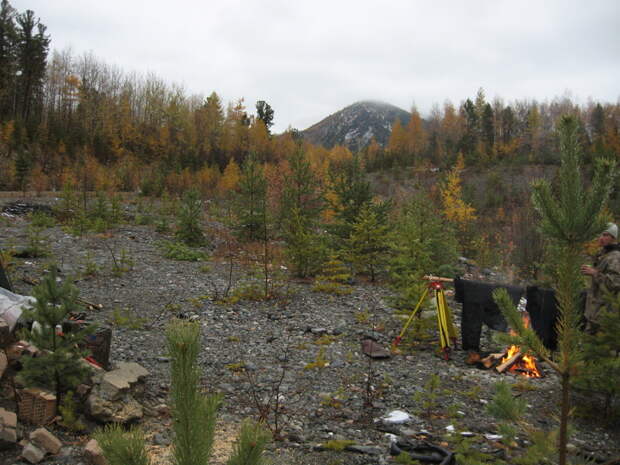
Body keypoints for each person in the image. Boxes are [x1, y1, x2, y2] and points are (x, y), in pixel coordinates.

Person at [581, 223, 620, 333]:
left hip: (605, 314)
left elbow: (615, 283)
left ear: (613, 237)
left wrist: (595, 273)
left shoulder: (615, 256)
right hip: (594, 313)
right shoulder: (602, 254)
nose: (601, 238)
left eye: (605, 235)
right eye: (600, 235)